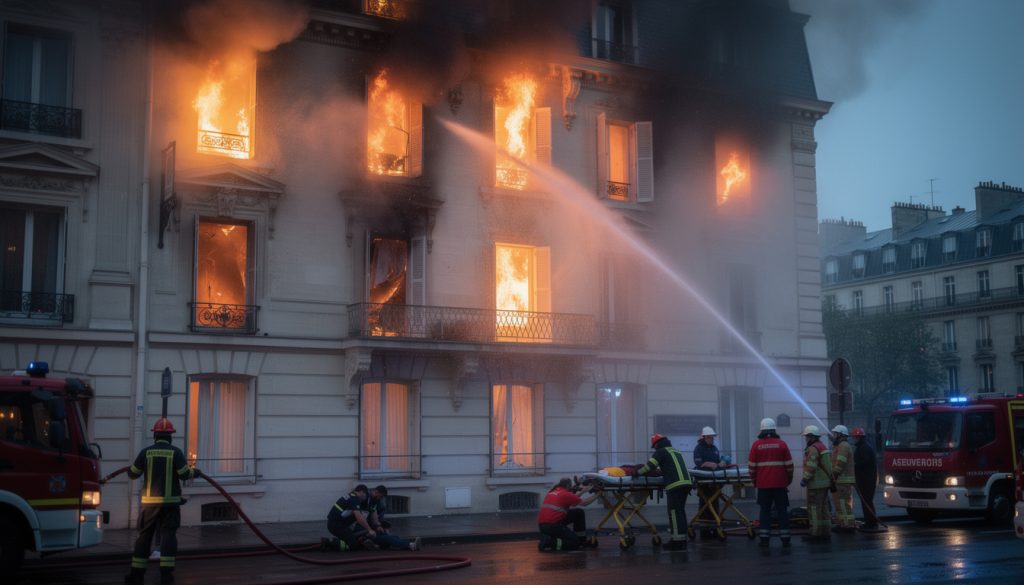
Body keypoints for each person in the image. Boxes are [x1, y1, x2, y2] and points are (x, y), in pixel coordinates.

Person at [123, 418, 196, 585]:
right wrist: (194, 473)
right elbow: (184, 474)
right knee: (168, 536)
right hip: (170, 505)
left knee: (144, 537)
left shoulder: (146, 452)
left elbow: (133, 473)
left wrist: (130, 470)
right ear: (170, 436)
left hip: (150, 505)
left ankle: (137, 574)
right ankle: (166, 575)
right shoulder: (176, 452)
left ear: (155, 435)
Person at [634, 434, 693, 550]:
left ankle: (676, 542)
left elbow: (649, 467)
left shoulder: (660, 451)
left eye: (654, 446)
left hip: (675, 485)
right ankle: (682, 539)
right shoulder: (675, 451)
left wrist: (636, 473)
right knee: (680, 512)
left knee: (674, 513)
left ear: (656, 444)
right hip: (686, 483)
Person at [747, 418, 794, 548]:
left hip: (763, 485)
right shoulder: (782, 444)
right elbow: (789, 466)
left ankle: (764, 538)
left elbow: (751, 467)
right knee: (782, 510)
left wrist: (755, 481)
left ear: (761, 430)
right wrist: (788, 480)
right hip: (780, 484)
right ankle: (785, 538)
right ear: (774, 430)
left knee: (765, 511)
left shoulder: (756, 445)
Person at [537, 477, 601, 551]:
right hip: (552, 526)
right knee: (574, 543)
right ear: (568, 486)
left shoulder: (553, 492)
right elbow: (584, 503)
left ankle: (581, 540)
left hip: (544, 525)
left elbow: (572, 498)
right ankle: (549, 542)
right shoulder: (565, 494)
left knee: (578, 513)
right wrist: (598, 495)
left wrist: (583, 491)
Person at [354, 485, 422, 551]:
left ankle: (402, 545)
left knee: (390, 536)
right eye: (380, 496)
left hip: (366, 528)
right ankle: (411, 545)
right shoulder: (363, 499)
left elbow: (374, 517)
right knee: (387, 538)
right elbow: (360, 518)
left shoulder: (374, 502)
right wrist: (370, 530)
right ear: (376, 491)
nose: (380, 498)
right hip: (361, 530)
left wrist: (378, 526)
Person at [800, 425, 833, 543]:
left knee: (814, 509)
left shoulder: (813, 449)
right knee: (823, 508)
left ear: (811, 437)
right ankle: (825, 531)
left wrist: (805, 479)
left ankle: (815, 533)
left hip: (816, 485)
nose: (805, 439)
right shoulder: (822, 446)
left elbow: (811, 467)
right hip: (824, 484)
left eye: (807, 436)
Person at [321, 485, 377, 552]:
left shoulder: (351, 496)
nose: (365, 498)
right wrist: (369, 530)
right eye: (366, 495)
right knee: (353, 545)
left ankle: (342, 541)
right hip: (336, 525)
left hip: (336, 524)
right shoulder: (354, 499)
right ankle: (328, 543)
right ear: (362, 492)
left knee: (351, 538)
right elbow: (359, 517)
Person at [693, 426, 730, 526]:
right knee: (705, 503)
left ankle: (714, 524)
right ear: (704, 437)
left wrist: (722, 462)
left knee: (714, 502)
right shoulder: (698, 449)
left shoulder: (714, 448)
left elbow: (717, 461)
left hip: (715, 479)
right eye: (709, 437)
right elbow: (699, 463)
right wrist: (709, 464)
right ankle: (704, 526)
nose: (712, 439)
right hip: (704, 480)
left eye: (712, 437)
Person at [851, 427, 880, 529]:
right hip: (864, 479)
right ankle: (869, 521)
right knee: (866, 501)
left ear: (860, 437)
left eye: (855, 437)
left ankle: (871, 522)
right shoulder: (862, 447)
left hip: (867, 480)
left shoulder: (865, 448)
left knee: (867, 501)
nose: (854, 439)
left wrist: (854, 465)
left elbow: (865, 462)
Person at [830, 425, 856, 533]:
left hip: (842, 480)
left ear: (841, 434)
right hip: (841, 481)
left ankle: (847, 526)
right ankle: (842, 523)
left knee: (843, 505)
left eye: (835, 434)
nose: (834, 435)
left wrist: (834, 475)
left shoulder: (843, 446)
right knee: (840, 504)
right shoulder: (840, 446)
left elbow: (840, 463)